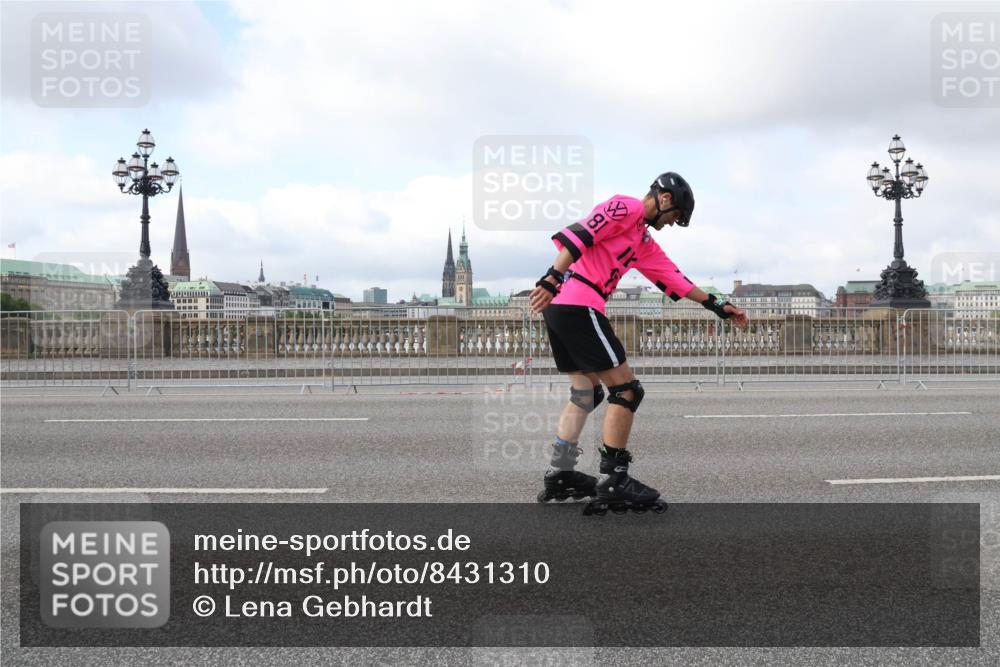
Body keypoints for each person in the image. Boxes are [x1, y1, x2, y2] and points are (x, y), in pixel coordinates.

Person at [530, 172, 749, 514]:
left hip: (563, 307)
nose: (674, 223)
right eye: (675, 216)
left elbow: (672, 276)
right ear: (664, 199)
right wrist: (553, 275)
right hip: (577, 302)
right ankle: (614, 478)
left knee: (586, 392)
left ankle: (561, 472)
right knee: (627, 390)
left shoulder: (641, 240)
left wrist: (717, 305)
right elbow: (583, 233)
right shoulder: (626, 207)